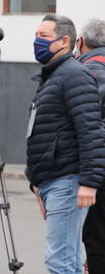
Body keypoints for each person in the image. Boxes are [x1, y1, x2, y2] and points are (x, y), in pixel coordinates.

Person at [28, 14, 105, 274]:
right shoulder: (53, 76)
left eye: (44, 36)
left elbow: (90, 131)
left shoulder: (74, 74)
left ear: (65, 41)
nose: (37, 41)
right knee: (67, 259)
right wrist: (36, 181)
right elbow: (44, 133)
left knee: (59, 260)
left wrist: (89, 183)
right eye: (36, 36)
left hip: (68, 179)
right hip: (54, 179)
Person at [75, 18, 105, 273]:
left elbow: (88, 128)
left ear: (80, 43)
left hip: (96, 171)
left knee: (95, 238)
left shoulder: (84, 73)